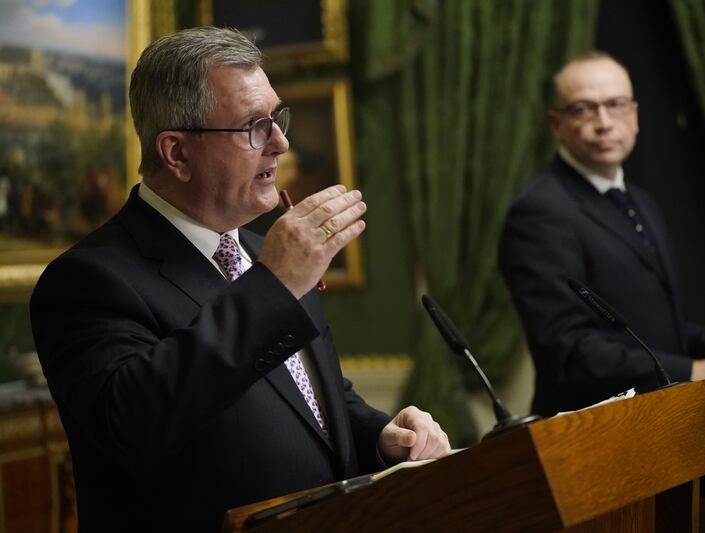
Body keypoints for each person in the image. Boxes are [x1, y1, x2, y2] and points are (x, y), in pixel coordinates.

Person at [29, 27, 450, 532]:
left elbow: (314, 400)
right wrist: (272, 286)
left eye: (277, 118)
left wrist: (380, 436)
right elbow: (134, 424)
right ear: (176, 153)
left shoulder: (266, 253)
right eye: (254, 126)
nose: (281, 142)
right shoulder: (87, 280)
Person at [498, 51, 705, 417]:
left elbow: (665, 328)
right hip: (597, 431)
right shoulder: (539, 213)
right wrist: (695, 371)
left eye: (616, 105)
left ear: (634, 115)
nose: (604, 122)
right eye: (584, 109)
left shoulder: (642, 202)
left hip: (670, 416)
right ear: (556, 125)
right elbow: (569, 351)